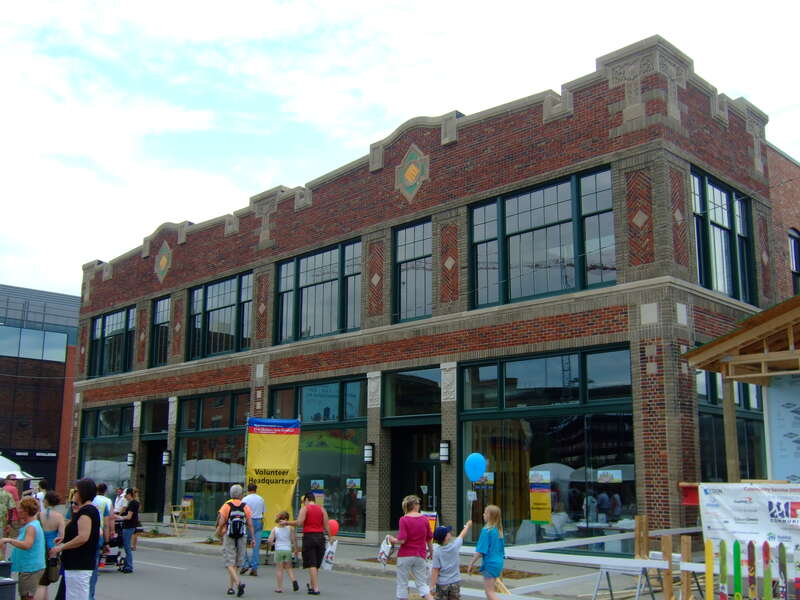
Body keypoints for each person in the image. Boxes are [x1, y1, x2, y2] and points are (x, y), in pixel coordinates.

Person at [49, 478, 100, 600]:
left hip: (80, 563)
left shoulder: (87, 511)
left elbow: (83, 537)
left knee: (77, 595)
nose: (75, 494)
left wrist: (61, 547)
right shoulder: (83, 511)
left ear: (83, 492)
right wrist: (64, 538)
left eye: (76, 491)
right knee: (72, 595)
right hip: (74, 563)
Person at [387, 495, 434, 600]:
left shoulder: (403, 519)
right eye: (418, 503)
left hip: (405, 555)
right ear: (415, 505)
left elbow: (402, 540)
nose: (419, 506)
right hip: (420, 554)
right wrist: (431, 551)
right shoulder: (425, 519)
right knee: (422, 584)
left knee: (402, 584)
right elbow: (429, 538)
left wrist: (392, 539)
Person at [1, 497, 45, 600]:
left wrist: (8, 540)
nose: (18, 510)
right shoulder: (32, 524)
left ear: (26, 511)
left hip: (30, 567)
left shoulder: (31, 527)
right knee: (26, 595)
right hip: (29, 566)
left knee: (27, 596)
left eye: (21, 508)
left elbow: (27, 545)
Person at [216, 484, 255, 597]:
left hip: (229, 535)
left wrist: (218, 533)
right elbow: (250, 524)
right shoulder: (245, 506)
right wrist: (253, 538)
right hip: (242, 536)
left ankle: (238, 584)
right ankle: (230, 587)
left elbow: (221, 522)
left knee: (229, 561)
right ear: (241, 494)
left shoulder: (227, 506)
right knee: (237, 562)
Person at [292, 491, 329, 595]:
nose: (304, 503)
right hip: (320, 537)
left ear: (307, 500)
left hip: (309, 537)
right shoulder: (322, 509)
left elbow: (299, 522)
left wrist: (287, 522)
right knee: (316, 563)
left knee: (312, 563)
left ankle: (315, 588)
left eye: (304, 501)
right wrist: (331, 537)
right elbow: (327, 525)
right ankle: (312, 584)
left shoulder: (305, 509)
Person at [467, 505, 505, 600]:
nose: (483, 514)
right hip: (498, 563)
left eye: (485, 513)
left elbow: (480, 551)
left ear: (490, 516)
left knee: (489, 592)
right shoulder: (498, 531)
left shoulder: (486, 531)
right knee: (491, 591)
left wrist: (471, 563)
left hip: (490, 563)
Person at [431, 520, 472, 600]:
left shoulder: (437, 552)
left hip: (442, 583)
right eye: (448, 532)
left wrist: (432, 585)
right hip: (455, 582)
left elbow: (435, 569)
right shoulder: (454, 546)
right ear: (446, 537)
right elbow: (462, 535)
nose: (450, 533)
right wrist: (467, 526)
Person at [36, 491, 66, 600]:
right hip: (52, 549)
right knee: (46, 580)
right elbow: (62, 536)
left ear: (46, 501)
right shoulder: (59, 517)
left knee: (40, 582)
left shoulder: (39, 515)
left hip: (39, 548)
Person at [89, 483, 113, 597]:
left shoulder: (89, 499)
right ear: (105, 490)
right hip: (98, 534)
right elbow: (108, 523)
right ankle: (90, 595)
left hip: (85, 533)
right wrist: (107, 542)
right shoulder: (106, 502)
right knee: (94, 566)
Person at [267, 511, 299, 593]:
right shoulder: (290, 528)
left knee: (279, 569)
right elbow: (293, 540)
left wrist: (272, 544)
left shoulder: (275, 529)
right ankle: (293, 580)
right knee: (289, 568)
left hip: (279, 550)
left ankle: (279, 587)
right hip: (288, 550)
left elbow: (270, 540)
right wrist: (296, 549)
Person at [240, 483, 265, 576]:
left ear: (248, 490)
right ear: (256, 489)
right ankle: (254, 568)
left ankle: (245, 564)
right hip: (258, 521)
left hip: (247, 522)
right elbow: (263, 512)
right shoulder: (260, 499)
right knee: (256, 546)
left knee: (242, 544)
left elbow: (242, 512)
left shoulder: (245, 499)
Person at [117, 489, 139, 574]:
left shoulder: (133, 503)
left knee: (127, 547)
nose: (125, 496)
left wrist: (119, 517)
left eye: (126, 495)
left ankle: (129, 566)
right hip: (131, 526)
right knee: (126, 546)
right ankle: (126, 564)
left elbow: (129, 516)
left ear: (129, 494)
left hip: (129, 526)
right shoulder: (133, 503)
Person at [4, 474, 21, 560]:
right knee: (17, 538)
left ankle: (2, 557)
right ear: (7, 480)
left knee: (4, 539)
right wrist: (20, 517)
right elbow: (17, 504)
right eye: (12, 479)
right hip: (13, 517)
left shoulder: (3, 489)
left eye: (15, 479)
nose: (15, 481)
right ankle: (13, 557)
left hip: (4, 518)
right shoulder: (13, 489)